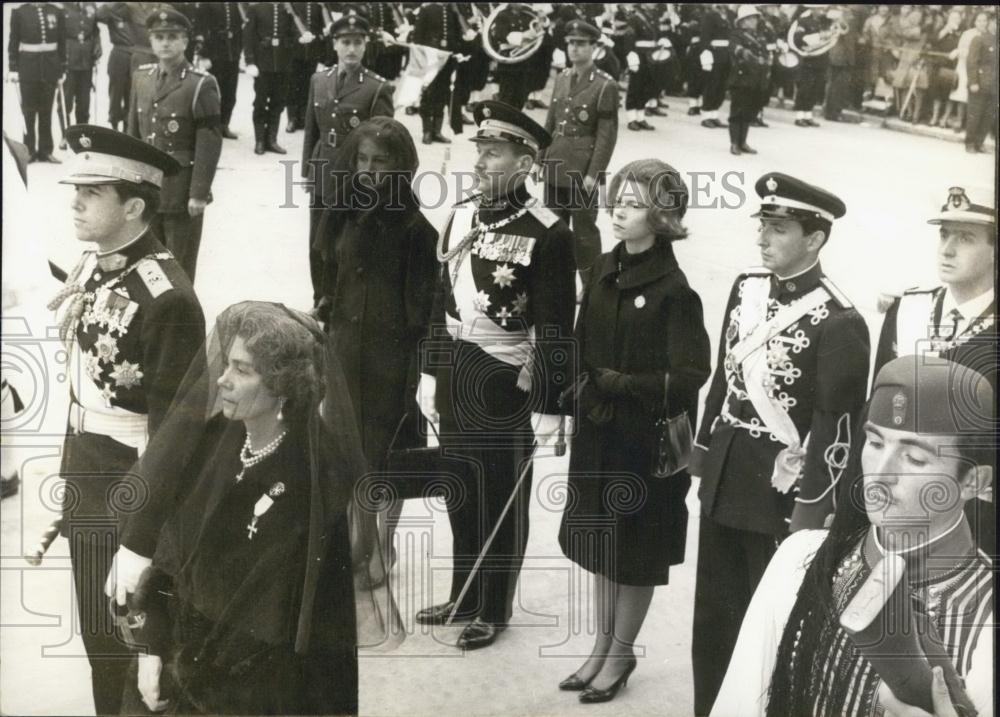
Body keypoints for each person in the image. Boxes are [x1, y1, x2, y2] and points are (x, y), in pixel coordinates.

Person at [113, 301, 402, 715]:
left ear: (282, 384)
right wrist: (151, 648)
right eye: (226, 365)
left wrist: (179, 672)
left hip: (252, 689)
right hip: (182, 654)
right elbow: (171, 558)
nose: (223, 381)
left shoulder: (315, 478)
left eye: (242, 370)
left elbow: (272, 628)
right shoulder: (219, 438)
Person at [712, 355, 994, 717]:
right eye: (875, 444)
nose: (880, 473)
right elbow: (739, 704)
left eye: (914, 459)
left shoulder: (987, 622)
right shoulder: (800, 559)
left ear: (973, 482)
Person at [690, 172, 871, 716]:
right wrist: (701, 453)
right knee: (713, 620)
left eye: (779, 228)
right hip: (726, 478)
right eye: (763, 225)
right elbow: (724, 384)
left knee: (765, 627)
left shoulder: (840, 320)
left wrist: (810, 510)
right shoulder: (745, 290)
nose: (763, 238)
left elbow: (836, 427)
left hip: (778, 494)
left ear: (814, 239)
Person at [48, 124, 204, 716]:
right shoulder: (99, 263)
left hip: (127, 484)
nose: (76, 203)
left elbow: (175, 433)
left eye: (92, 193)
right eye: (76, 191)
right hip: (88, 470)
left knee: (129, 643)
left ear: (134, 204)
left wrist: (144, 535)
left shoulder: (168, 299)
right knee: (99, 639)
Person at [415, 101, 576, 650]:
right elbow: (441, 301)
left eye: (495, 152)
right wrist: (431, 373)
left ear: (527, 162)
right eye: (479, 150)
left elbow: (556, 326)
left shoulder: (549, 232)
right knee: (460, 486)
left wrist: (553, 405)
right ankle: (463, 592)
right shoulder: (461, 215)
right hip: (457, 366)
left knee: (500, 492)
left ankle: (493, 606)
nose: (481, 162)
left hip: (505, 375)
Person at [558, 159, 711, 704]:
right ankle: (602, 646)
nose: (620, 207)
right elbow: (580, 342)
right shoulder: (604, 266)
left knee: (635, 550)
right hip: (599, 432)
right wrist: (573, 395)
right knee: (602, 545)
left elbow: (692, 374)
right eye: (618, 195)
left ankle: (621, 653)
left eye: (636, 200)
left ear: (664, 215)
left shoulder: (675, 290)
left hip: (643, 444)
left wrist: (625, 384)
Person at [313, 117, 438, 573]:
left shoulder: (416, 232)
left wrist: (419, 372)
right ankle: (354, 542)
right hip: (344, 353)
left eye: (380, 162)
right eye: (362, 160)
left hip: (390, 361)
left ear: (401, 167)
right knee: (346, 450)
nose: (368, 170)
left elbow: (422, 311)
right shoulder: (341, 212)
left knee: (387, 453)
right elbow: (327, 269)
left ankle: (383, 544)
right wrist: (324, 306)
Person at [874, 186, 995, 554]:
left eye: (966, 238)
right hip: (891, 494)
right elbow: (875, 414)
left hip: (972, 515)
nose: (947, 249)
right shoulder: (908, 308)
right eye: (944, 234)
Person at [302, 13, 395, 305]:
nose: (351, 49)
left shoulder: (377, 87)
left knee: (345, 244)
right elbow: (311, 129)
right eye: (345, 42)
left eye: (357, 42)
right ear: (335, 45)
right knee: (317, 242)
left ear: (366, 45)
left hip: (355, 177)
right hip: (323, 171)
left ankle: (340, 302)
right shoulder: (319, 80)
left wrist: (374, 182)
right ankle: (319, 298)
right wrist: (307, 171)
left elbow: (384, 141)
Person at [127, 7, 223, 283]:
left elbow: (209, 142)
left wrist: (199, 193)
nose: (165, 42)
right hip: (147, 191)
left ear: (185, 41)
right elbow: (134, 135)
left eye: (172, 36)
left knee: (179, 269)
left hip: (181, 192)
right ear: (151, 41)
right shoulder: (141, 78)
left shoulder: (200, 84)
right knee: (146, 268)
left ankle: (181, 325)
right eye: (159, 37)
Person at [541, 19, 619, 291]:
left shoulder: (604, 85)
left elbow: (606, 135)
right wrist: (540, 158)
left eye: (581, 44)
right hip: (555, 164)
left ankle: (591, 287)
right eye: (571, 43)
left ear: (594, 47)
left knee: (584, 233)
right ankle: (556, 284)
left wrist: (593, 174)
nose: (574, 49)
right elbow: (550, 122)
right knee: (552, 229)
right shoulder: (562, 78)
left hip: (581, 170)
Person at [244, 1, 310, 155]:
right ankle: (259, 140)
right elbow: (248, 36)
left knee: (279, 102)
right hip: (262, 63)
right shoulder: (256, 8)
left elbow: (295, 28)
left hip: (284, 63)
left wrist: (300, 37)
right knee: (260, 102)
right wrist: (250, 61)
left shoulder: (288, 8)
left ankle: (272, 140)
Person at [6, 1, 67, 163]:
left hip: (50, 67)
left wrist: (62, 68)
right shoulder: (20, 12)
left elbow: (62, 42)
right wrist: (12, 68)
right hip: (28, 68)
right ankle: (29, 151)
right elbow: (13, 41)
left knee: (47, 110)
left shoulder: (56, 11)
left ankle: (46, 151)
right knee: (29, 112)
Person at [197, 2, 244, 140]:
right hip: (215, 54)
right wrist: (204, 55)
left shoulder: (235, 4)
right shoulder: (207, 4)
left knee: (230, 93)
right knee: (213, 93)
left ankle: (224, 125)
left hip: (232, 55)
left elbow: (239, 29)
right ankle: (212, 127)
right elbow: (201, 29)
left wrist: (238, 51)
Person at [727, 5, 769, 155]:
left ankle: (743, 142)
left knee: (749, 111)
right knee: (737, 111)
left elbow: (764, 52)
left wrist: (765, 60)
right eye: (751, 18)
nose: (754, 21)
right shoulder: (737, 35)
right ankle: (734, 143)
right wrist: (743, 52)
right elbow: (733, 47)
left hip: (756, 79)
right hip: (741, 78)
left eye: (755, 18)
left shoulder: (759, 36)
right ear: (743, 21)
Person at [59, 1, 101, 148]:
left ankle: (82, 136)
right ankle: (66, 136)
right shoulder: (62, 6)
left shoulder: (91, 5)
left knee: (84, 102)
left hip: (86, 59)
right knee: (66, 101)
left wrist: (97, 45)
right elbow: (58, 33)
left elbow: (95, 30)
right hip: (68, 58)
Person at [285, 2, 326, 133]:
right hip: (294, 51)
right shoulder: (293, 4)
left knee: (307, 85)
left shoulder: (318, 5)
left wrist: (318, 38)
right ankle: (292, 118)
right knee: (292, 85)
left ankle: (303, 117)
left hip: (312, 51)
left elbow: (321, 27)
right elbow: (286, 26)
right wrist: (298, 37)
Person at [791, 5, 831, 127]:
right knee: (805, 88)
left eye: (822, 9)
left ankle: (808, 115)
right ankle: (799, 116)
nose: (822, 11)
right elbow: (798, 39)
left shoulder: (824, 22)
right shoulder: (803, 21)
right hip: (808, 59)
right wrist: (819, 37)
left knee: (815, 88)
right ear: (812, 9)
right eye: (819, 8)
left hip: (821, 59)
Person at [964, 12, 996, 154]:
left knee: (988, 116)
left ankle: (979, 142)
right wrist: (973, 82)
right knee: (974, 114)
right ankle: (970, 143)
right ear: (990, 24)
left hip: (994, 87)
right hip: (980, 84)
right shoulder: (979, 39)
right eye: (994, 22)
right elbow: (972, 62)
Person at [697, 3, 731, 129]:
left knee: (721, 87)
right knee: (712, 85)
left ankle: (714, 115)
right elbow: (705, 37)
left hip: (726, 55)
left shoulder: (728, 15)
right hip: (715, 54)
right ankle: (706, 115)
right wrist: (705, 55)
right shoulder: (710, 16)